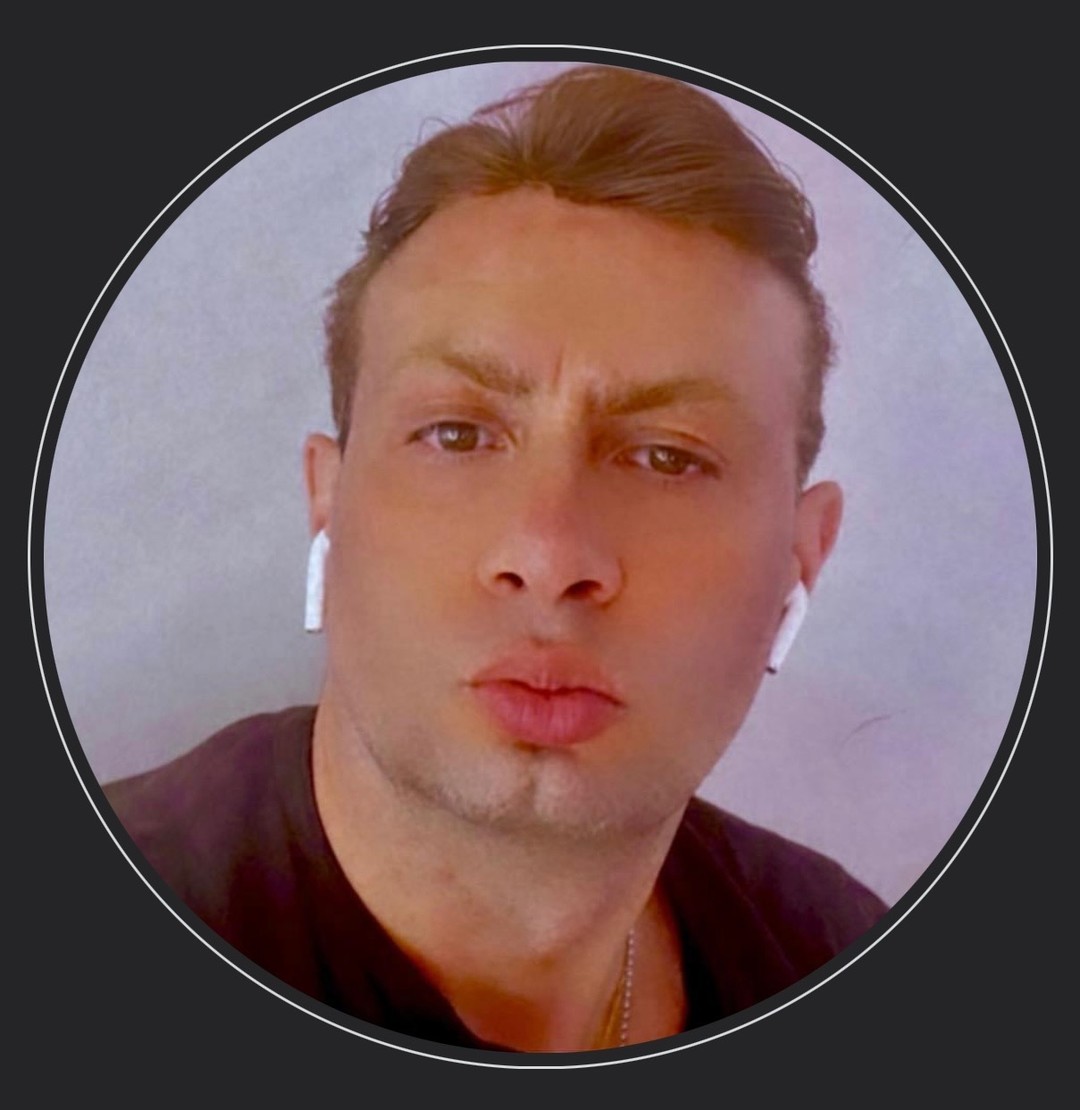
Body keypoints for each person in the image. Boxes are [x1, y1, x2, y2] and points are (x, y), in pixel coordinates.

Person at [104, 63, 887, 1054]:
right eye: (458, 435)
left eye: (667, 456)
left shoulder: (837, 950)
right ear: (327, 504)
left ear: (801, 561)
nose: (550, 554)